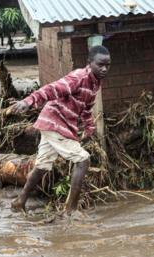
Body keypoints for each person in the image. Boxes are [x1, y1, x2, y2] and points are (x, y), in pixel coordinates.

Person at [8, 45, 111, 215]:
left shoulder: (95, 84)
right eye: (100, 65)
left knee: (42, 166)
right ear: (89, 62)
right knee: (83, 160)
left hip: (54, 124)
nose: (104, 69)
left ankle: (20, 201)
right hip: (56, 123)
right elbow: (52, 89)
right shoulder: (78, 77)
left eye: (107, 65)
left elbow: (86, 108)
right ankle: (71, 210)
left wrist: (89, 127)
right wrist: (29, 101)